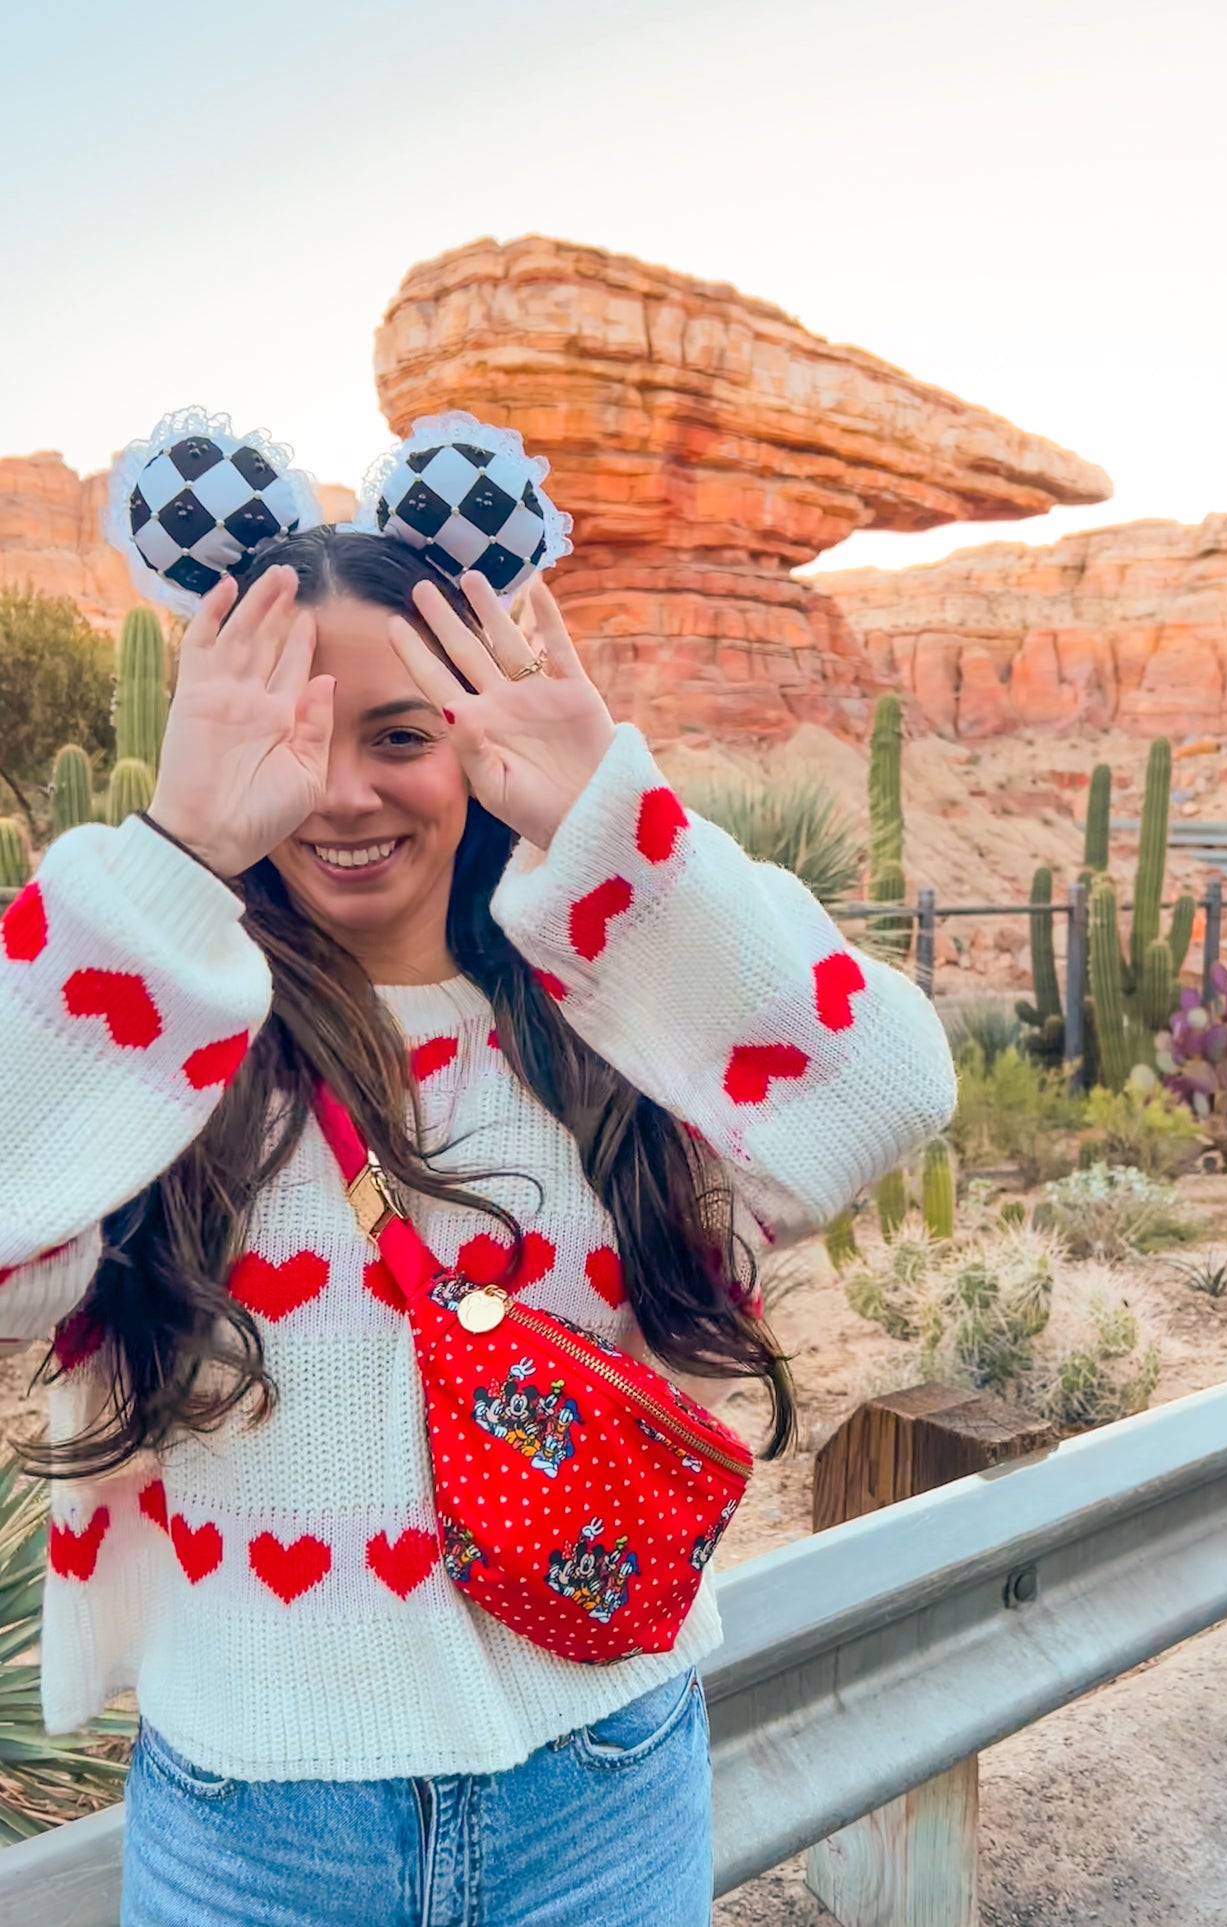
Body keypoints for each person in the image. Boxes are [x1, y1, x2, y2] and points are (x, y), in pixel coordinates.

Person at [0, 419, 956, 1924]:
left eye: (398, 733)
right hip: (259, 1819)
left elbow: (884, 1093)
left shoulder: (628, 992)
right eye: (289, 743)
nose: (342, 796)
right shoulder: (148, 1022)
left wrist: (602, 813)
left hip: (602, 1781)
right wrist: (176, 854)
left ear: (477, 732)